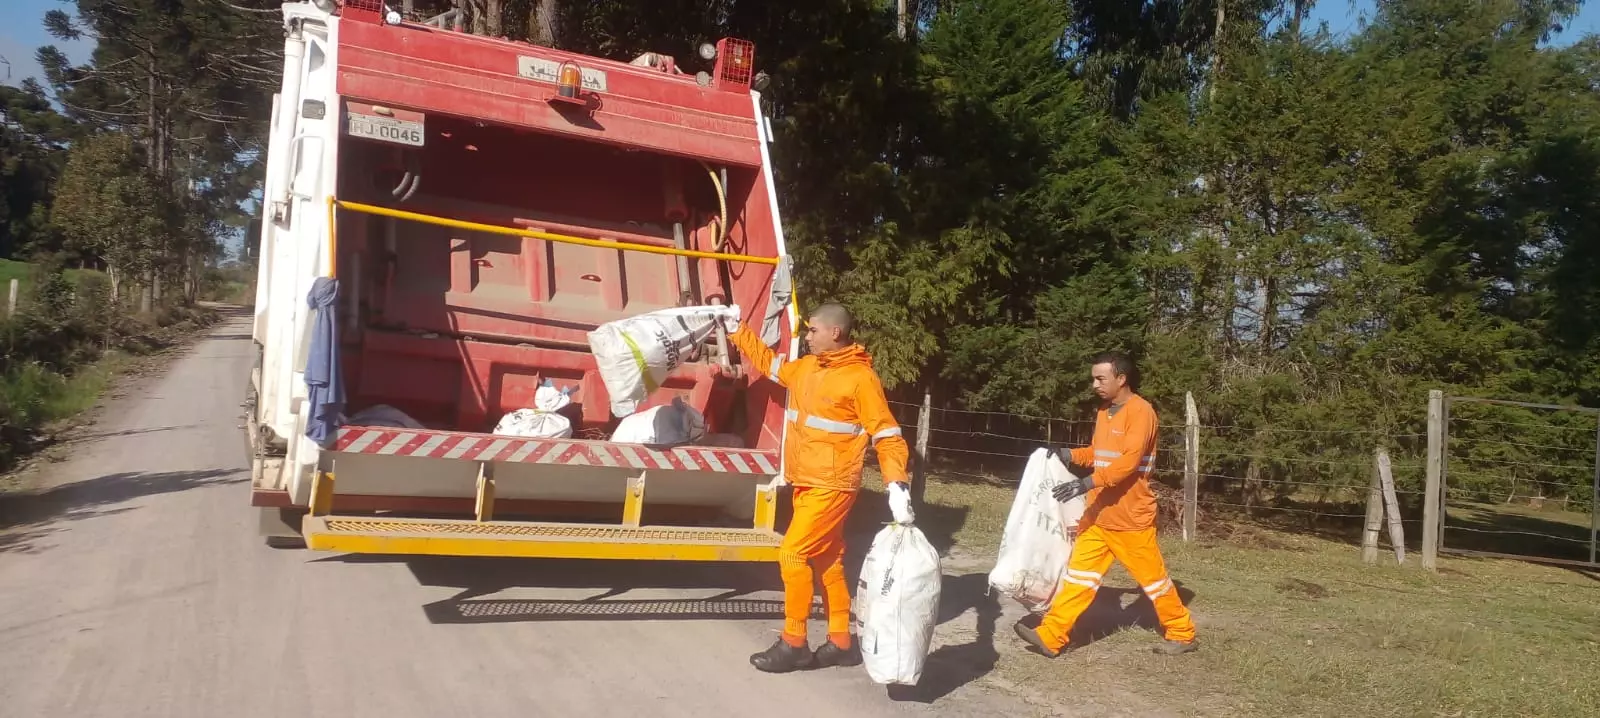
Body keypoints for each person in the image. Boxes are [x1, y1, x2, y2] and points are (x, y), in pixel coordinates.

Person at [724, 301, 914, 673]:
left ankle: (794, 642)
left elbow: (887, 432)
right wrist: (737, 329)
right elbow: (771, 364)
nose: (806, 336)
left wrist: (896, 483)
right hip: (807, 481)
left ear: (835, 333)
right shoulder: (808, 367)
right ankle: (841, 642)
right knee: (828, 559)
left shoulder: (861, 379)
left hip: (833, 484)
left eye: (812, 330)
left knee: (792, 554)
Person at [1014, 352, 1198, 657]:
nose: (1094, 384)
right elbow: (1098, 454)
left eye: (1101, 378)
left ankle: (1182, 632)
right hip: (1099, 516)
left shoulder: (1142, 412)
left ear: (1121, 379)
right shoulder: (1105, 411)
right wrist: (1068, 454)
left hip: (1130, 519)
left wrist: (1085, 483)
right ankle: (1052, 635)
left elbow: (1128, 463)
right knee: (1078, 577)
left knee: (1153, 582)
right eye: (1094, 378)